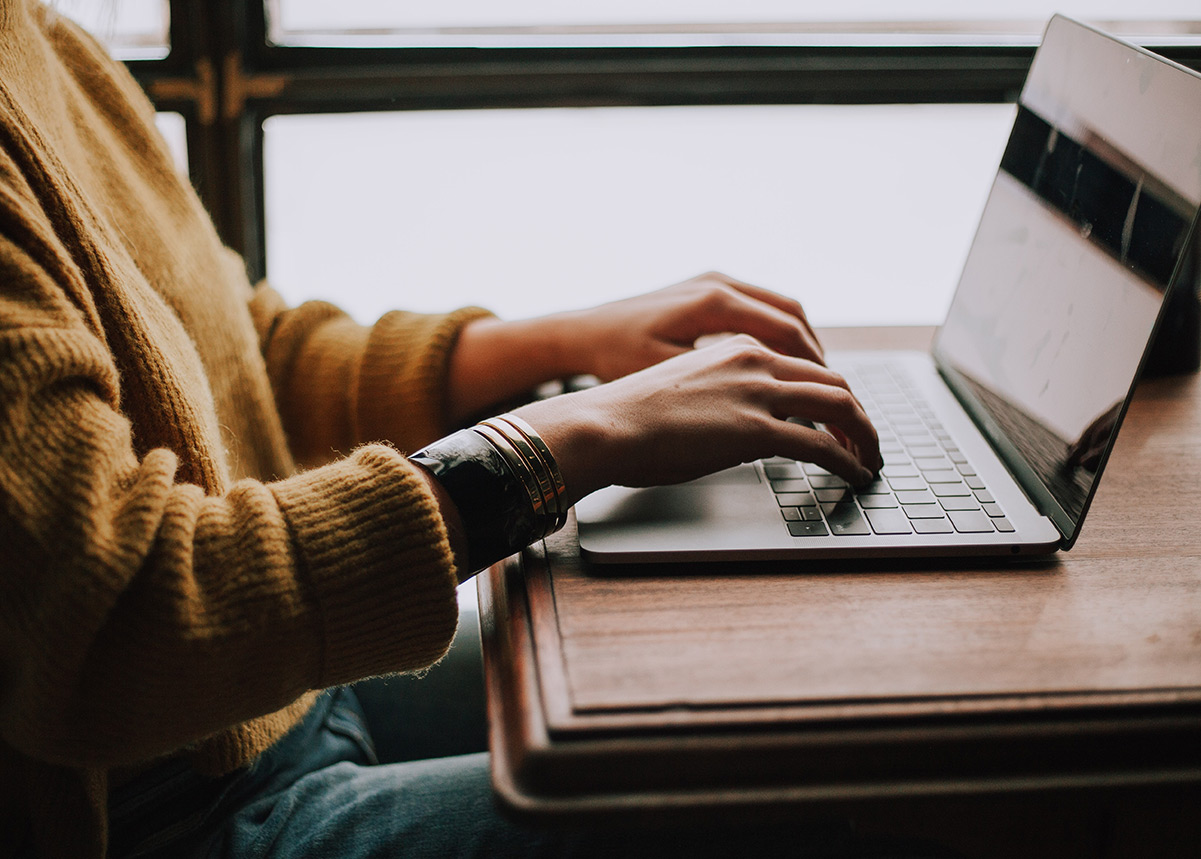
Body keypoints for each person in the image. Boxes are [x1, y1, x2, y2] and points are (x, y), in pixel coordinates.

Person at [0, 2, 906, 857]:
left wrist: (561, 342)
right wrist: (566, 438)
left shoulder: (37, 33)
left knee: (775, 698)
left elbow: (240, 355)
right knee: (811, 800)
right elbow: (114, 621)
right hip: (177, 815)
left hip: (280, 695)